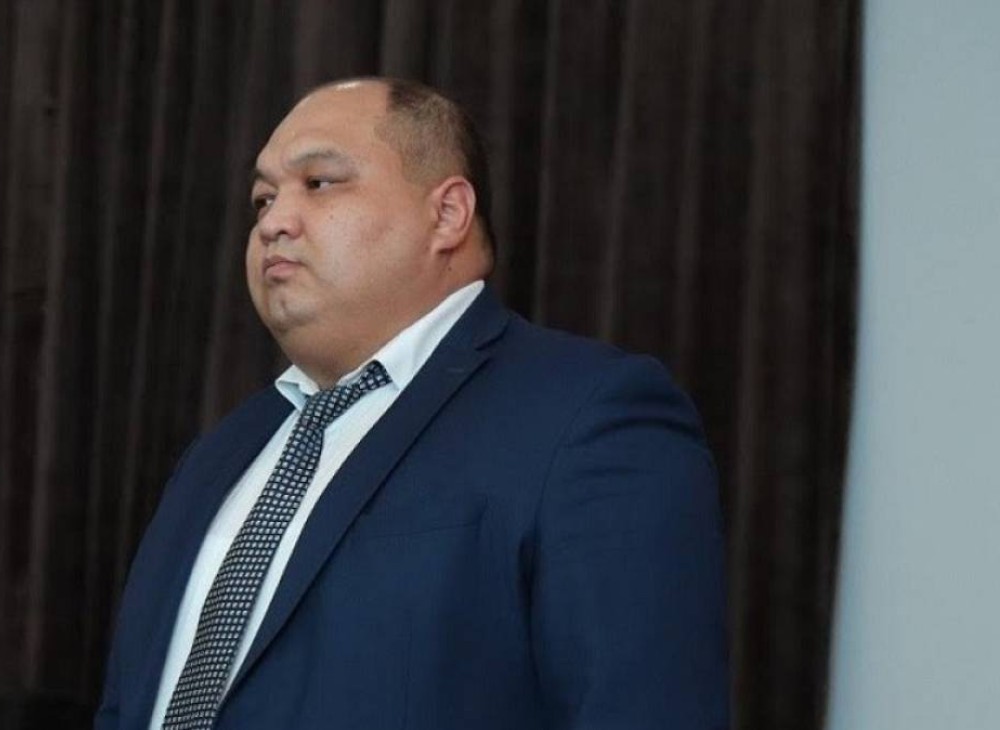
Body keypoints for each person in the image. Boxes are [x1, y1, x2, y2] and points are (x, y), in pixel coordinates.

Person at [96, 77, 728, 730]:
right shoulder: (219, 454)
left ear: (447, 214)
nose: (274, 222)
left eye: (319, 183)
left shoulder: (586, 415)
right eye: (263, 199)